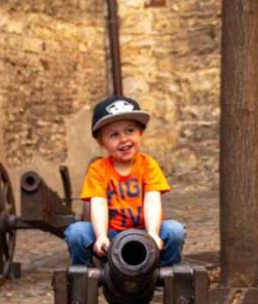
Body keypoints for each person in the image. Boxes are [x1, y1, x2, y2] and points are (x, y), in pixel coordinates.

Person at [64, 95, 186, 266]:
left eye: (130, 131)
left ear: (140, 133)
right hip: (110, 234)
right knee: (76, 232)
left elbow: (152, 200)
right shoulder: (98, 169)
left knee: (174, 230)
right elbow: (98, 203)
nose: (124, 139)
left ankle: (166, 273)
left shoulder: (148, 165)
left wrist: (152, 233)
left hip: (144, 232)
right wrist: (101, 236)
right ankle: (83, 277)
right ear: (102, 142)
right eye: (114, 135)